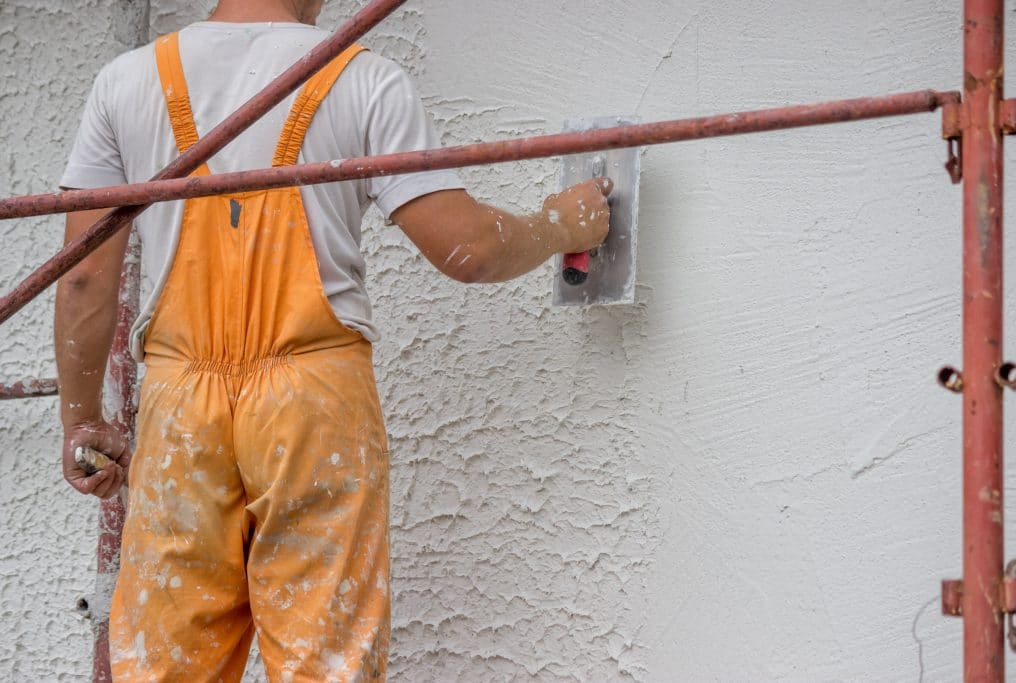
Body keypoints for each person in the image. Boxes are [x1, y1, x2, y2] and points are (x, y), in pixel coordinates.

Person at [54, 0, 612, 680]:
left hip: (182, 410)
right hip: (312, 400)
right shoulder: (361, 80)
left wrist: (82, 418)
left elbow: (83, 279)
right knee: (327, 662)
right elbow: (468, 250)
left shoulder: (127, 82)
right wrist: (562, 222)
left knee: (168, 666)